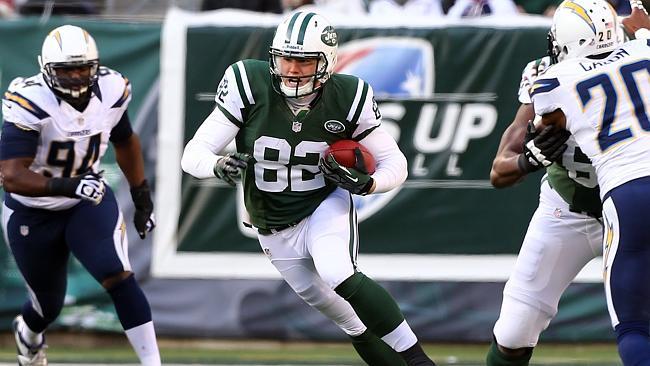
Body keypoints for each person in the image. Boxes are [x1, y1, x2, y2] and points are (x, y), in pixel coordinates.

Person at [181, 10, 436, 366]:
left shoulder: (348, 95)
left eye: (304, 61)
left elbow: (397, 165)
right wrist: (216, 165)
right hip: (270, 223)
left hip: (321, 203)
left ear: (326, 62)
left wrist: (369, 184)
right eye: (286, 58)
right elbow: (193, 153)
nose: (292, 68)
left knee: (338, 272)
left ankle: (419, 360)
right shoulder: (248, 82)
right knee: (347, 319)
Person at [0, 25, 159, 366]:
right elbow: (11, 176)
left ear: (96, 66)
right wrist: (70, 185)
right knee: (48, 304)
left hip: (86, 200)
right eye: (65, 70)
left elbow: (125, 140)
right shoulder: (30, 100)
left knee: (118, 274)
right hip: (32, 210)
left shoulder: (113, 88)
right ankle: (28, 333)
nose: (74, 77)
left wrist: (141, 195)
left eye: (81, 68)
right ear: (46, 69)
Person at [530, 1, 650, 364]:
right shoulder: (644, 47)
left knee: (633, 324)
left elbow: (547, 123)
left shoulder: (552, 80)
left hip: (628, 191)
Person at [486, 56, 603, 366]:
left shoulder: (634, 65)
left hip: (628, 207)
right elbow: (499, 171)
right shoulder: (545, 76)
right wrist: (530, 159)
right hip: (565, 211)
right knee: (513, 332)